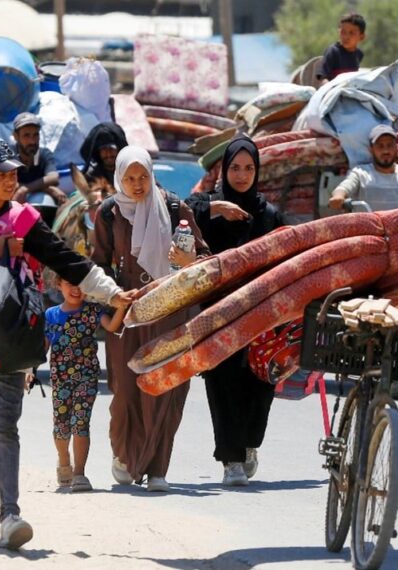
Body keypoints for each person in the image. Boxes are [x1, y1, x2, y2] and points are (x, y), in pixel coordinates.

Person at [0, 139, 132, 548]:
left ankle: (10, 515)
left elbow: (67, 261)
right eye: (2, 173)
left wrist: (112, 293)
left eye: (14, 173)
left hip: (12, 335)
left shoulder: (25, 218)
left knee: (7, 428)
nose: (11, 179)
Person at [91, 146, 209, 492]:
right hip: (128, 311)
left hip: (170, 311)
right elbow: (97, 264)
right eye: (129, 178)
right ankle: (125, 457)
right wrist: (110, 301)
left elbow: (206, 258)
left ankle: (158, 467)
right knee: (126, 390)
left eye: (143, 177)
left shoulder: (174, 208)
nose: (137, 184)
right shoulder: (110, 213)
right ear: (120, 178)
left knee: (166, 389)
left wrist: (189, 260)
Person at [185, 135, 284, 486]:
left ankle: (249, 444)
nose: (242, 175)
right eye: (235, 168)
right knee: (222, 384)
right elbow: (179, 212)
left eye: (249, 168)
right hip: (218, 313)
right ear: (224, 170)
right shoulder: (206, 205)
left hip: (260, 314)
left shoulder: (269, 213)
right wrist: (217, 209)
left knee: (260, 384)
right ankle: (230, 459)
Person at [44, 271, 127, 493]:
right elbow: (42, 348)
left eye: (81, 285)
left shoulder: (92, 311)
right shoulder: (51, 315)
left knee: (80, 422)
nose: (76, 289)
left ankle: (79, 473)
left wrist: (121, 306)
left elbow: (111, 327)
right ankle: (64, 460)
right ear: (58, 284)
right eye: (71, 283)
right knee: (61, 425)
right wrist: (29, 371)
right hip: (60, 380)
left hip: (86, 377)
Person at [329, 125, 398, 211]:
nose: (386, 151)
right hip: (367, 232)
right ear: (371, 149)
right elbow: (345, 187)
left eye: (389, 145)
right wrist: (339, 197)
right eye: (380, 146)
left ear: (396, 148)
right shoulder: (360, 173)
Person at [10, 112, 65, 223]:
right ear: (16, 136)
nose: (32, 141)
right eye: (26, 135)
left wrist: (25, 189)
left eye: (36, 135)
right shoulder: (9, 155)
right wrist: (48, 188)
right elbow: (10, 184)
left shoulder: (44, 154)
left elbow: (53, 177)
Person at [318, 13, 366, 83]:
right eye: (343, 32)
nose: (346, 37)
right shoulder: (332, 51)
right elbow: (322, 77)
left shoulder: (359, 54)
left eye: (351, 33)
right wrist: (331, 89)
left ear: (361, 37)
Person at [79, 121, 128, 188]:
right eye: (104, 149)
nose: (108, 153)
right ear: (98, 152)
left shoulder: (131, 169)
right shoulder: (92, 176)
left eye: (111, 148)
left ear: (119, 149)